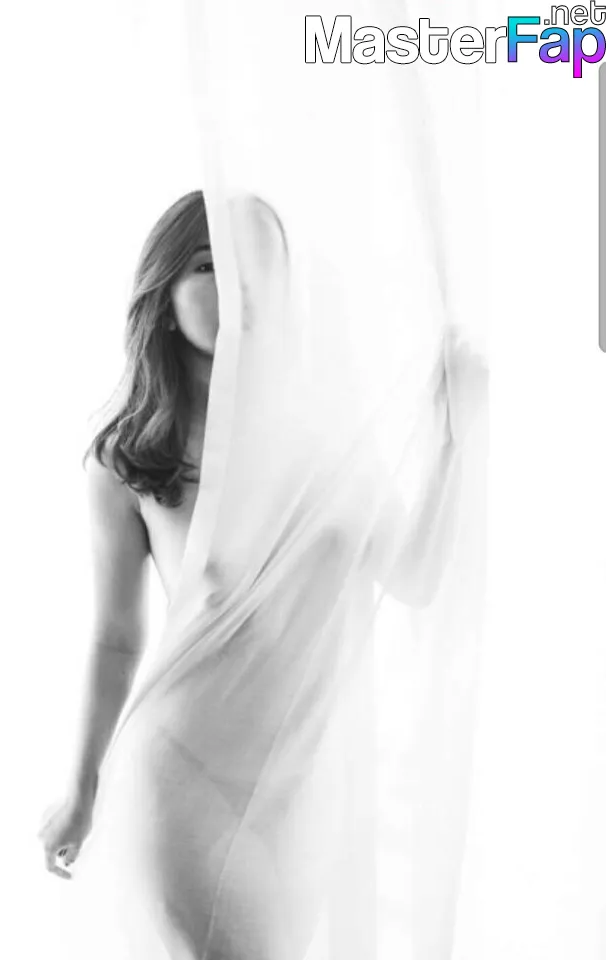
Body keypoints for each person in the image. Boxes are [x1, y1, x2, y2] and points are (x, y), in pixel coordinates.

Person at [37, 188, 486, 959]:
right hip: (183, 779)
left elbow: (415, 575)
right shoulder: (130, 459)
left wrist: (454, 441)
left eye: (257, 263)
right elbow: (115, 639)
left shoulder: (324, 437)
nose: (239, 282)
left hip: (298, 802)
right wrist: (82, 790)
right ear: (163, 294)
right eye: (208, 264)